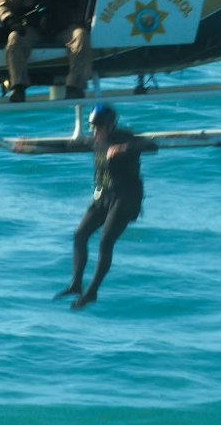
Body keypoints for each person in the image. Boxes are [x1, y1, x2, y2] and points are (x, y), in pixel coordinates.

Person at [55, 103, 157, 311]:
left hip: (126, 197)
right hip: (103, 196)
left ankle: (91, 292)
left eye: (98, 127)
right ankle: (76, 284)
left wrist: (123, 148)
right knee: (80, 235)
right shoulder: (96, 141)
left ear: (110, 126)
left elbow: (151, 145)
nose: (95, 132)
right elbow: (68, 146)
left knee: (105, 241)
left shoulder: (123, 136)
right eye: (92, 127)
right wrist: (28, 146)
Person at [0, 0, 92, 102]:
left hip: (64, 26)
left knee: (80, 37)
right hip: (34, 29)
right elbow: (2, 5)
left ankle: (75, 87)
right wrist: (10, 20)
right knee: (15, 39)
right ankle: (18, 86)